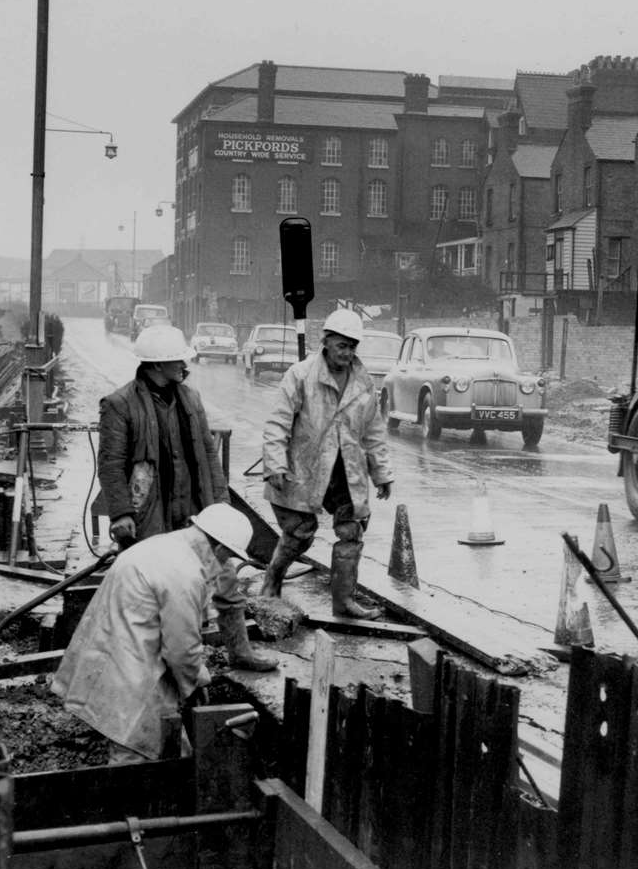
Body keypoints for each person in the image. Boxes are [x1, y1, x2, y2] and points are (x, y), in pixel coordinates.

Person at [97, 323, 273, 671]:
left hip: (198, 514)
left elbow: (209, 454)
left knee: (225, 582)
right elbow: (112, 465)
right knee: (157, 594)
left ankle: (241, 654)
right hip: (150, 514)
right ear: (156, 365)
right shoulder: (119, 404)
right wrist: (120, 514)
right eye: (178, 359)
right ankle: (153, 665)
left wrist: (220, 503)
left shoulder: (189, 398)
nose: (184, 365)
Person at [51, 503, 274, 765]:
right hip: (130, 675)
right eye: (226, 558)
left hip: (107, 655)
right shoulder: (185, 573)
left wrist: (194, 677)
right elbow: (181, 649)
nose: (224, 565)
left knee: (144, 743)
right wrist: (195, 683)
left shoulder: (163, 545)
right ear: (220, 549)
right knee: (140, 756)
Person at [260, 308, 393, 619]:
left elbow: (374, 431)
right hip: (305, 469)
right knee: (299, 534)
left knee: (351, 531)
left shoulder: (363, 383)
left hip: (347, 471)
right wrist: (275, 464)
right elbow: (277, 423)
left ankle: (344, 601)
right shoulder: (301, 375)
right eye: (341, 346)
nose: (347, 353)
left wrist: (382, 473)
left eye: (352, 347)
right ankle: (271, 582)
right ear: (326, 343)